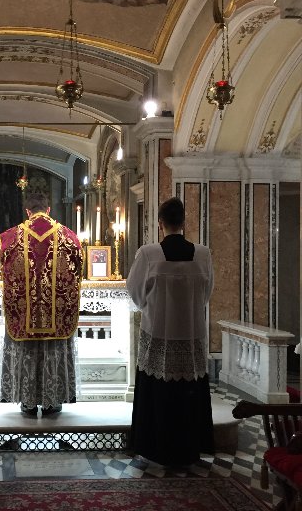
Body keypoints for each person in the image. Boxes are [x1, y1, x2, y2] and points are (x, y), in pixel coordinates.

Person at [126, 197, 214, 466]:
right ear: (183, 222)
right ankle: (189, 450)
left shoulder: (148, 254)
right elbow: (206, 294)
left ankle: (156, 449)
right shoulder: (202, 253)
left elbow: (134, 291)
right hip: (191, 335)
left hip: (158, 334)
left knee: (159, 393)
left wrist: (148, 306)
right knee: (188, 393)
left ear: (160, 222)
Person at [0, 193, 83, 416]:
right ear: (48, 210)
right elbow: (78, 266)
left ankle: (27, 402)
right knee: (53, 349)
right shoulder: (68, 236)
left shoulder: (12, 236)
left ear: (28, 211)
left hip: (25, 309)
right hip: (55, 310)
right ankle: (53, 401)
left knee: (27, 350)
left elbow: (4, 267)